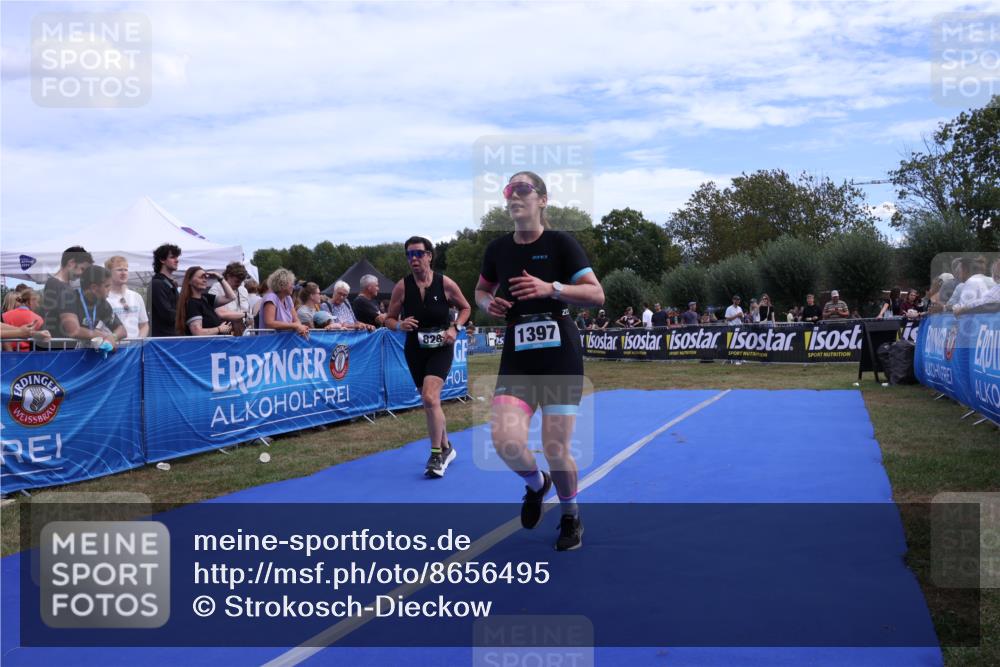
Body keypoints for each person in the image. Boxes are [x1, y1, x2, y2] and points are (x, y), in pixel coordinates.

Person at [474, 171, 605, 551]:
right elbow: (482, 290)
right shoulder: (498, 249)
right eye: (508, 191)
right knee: (505, 441)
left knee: (555, 448)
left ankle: (570, 514)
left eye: (523, 189)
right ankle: (537, 485)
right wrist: (488, 304)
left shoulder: (562, 244)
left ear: (542, 200)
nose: (514, 196)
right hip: (518, 356)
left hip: (560, 355)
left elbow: (597, 295)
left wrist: (553, 288)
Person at [385, 236, 471, 478]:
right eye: (409, 255)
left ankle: (435, 455)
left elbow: (466, 307)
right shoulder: (402, 287)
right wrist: (400, 324)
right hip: (415, 349)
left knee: (430, 397)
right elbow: (389, 319)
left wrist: (455, 328)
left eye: (418, 254)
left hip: (441, 346)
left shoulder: (445, 283)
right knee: (430, 402)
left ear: (429, 255)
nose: (414, 259)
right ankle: (446, 447)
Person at [60, 265, 127, 350]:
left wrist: (112, 338)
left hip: (81, 355)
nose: (110, 289)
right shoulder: (69, 298)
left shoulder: (102, 304)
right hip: (57, 354)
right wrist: (102, 335)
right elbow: (73, 331)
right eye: (107, 286)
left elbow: (122, 330)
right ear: (94, 288)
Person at [42, 246, 94, 334]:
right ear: (71, 262)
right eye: (82, 269)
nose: (83, 274)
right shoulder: (58, 285)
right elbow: (73, 329)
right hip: (59, 345)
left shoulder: (58, 284)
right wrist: (101, 335)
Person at [175, 267, 235, 336]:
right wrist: (219, 329)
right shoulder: (192, 303)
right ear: (189, 281)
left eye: (205, 277)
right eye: (201, 277)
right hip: (203, 345)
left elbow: (231, 297)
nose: (205, 280)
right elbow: (198, 332)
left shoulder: (205, 298)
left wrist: (220, 278)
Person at [104, 256, 149, 339]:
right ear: (108, 273)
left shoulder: (136, 296)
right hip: (113, 349)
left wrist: (139, 341)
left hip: (135, 349)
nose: (123, 273)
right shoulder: (103, 299)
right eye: (119, 270)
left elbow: (144, 325)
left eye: (125, 270)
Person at [260, 268, 311, 337]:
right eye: (291, 284)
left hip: (283, 341)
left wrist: (300, 327)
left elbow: (296, 319)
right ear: (282, 284)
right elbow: (269, 323)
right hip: (270, 342)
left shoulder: (288, 298)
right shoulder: (271, 297)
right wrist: (295, 326)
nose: (293, 287)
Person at [210, 262, 251, 334]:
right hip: (224, 332)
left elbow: (247, 310)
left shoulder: (243, 290)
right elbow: (221, 313)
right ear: (228, 276)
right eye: (237, 281)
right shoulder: (216, 288)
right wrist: (245, 315)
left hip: (242, 331)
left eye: (241, 281)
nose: (239, 284)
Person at [151, 243, 182, 336]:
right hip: (165, 339)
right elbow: (168, 314)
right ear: (162, 259)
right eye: (172, 257)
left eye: (177, 257)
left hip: (173, 336)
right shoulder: (157, 283)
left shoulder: (168, 283)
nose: (177, 260)